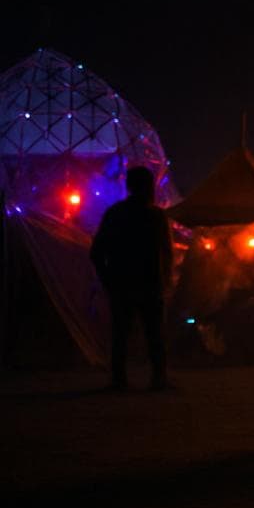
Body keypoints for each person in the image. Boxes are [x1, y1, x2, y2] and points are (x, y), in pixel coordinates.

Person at [90, 166, 173, 389]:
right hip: (150, 285)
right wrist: (166, 280)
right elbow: (167, 252)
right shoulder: (156, 216)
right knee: (154, 333)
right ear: (149, 187)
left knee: (121, 333)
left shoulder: (115, 214)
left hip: (122, 284)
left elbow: (96, 251)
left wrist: (108, 280)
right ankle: (158, 378)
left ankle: (119, 379)